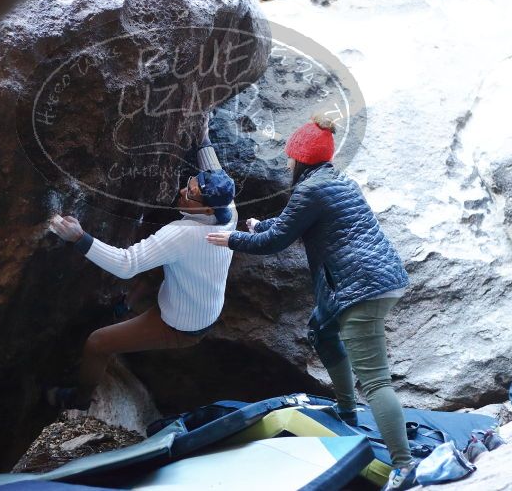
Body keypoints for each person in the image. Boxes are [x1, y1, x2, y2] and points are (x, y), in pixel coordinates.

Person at [206, 112, 417, 491]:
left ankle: (403, 465)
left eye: (290, 155)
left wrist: (233, 239)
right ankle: (347, 409)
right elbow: (290, 224)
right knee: (321, 330)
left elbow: (276, 242)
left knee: (377, 381)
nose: (287, 161)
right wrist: (258, 225)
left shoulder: (311, 189)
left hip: (360, 290)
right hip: (372, 280)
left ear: (301, 158)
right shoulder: (332, 182)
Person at [50, 116, 237, 411]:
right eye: (188, 185)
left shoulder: (181, 235)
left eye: (190, 195)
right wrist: (203, 139)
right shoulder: (229, 213)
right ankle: (126, 307)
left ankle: (79, 399)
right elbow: (214, 172)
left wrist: (80, 238)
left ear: (207, 208)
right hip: (201, 304)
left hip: (180, 324)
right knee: (155, 271)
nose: (181, 193)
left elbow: (127, 264)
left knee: (98, 343)